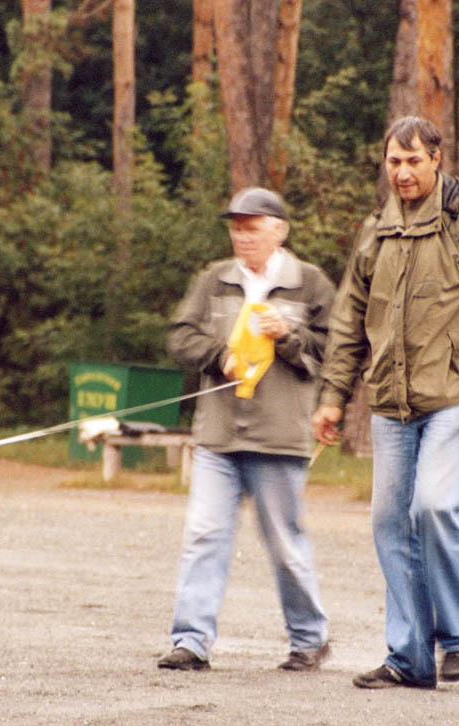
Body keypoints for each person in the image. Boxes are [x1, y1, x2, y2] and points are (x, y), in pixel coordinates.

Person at [312, 116, 459, 689]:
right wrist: (334, 396)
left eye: (413, 161)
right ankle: (409, 658)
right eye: (394, 162)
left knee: (432, 506)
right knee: (390, 523)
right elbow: (348, 323)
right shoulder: (376, 230)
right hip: (390, 402)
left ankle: (458, 635)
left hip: (458, 396)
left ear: (437, 159)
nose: (403, 172)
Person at [157, 187, 336, 672]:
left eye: (252, 228)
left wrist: (288, 337)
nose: (242, 237)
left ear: (279, 231)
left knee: (285, 545)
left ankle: (309, 640)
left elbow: (336, 348)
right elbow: (180, 335)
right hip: (218, 435)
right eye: (236, 228)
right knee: (204, 536)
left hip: (279, 437)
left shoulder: (310, 283)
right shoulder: (213, 279)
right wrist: (219, 357)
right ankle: (191, 642)